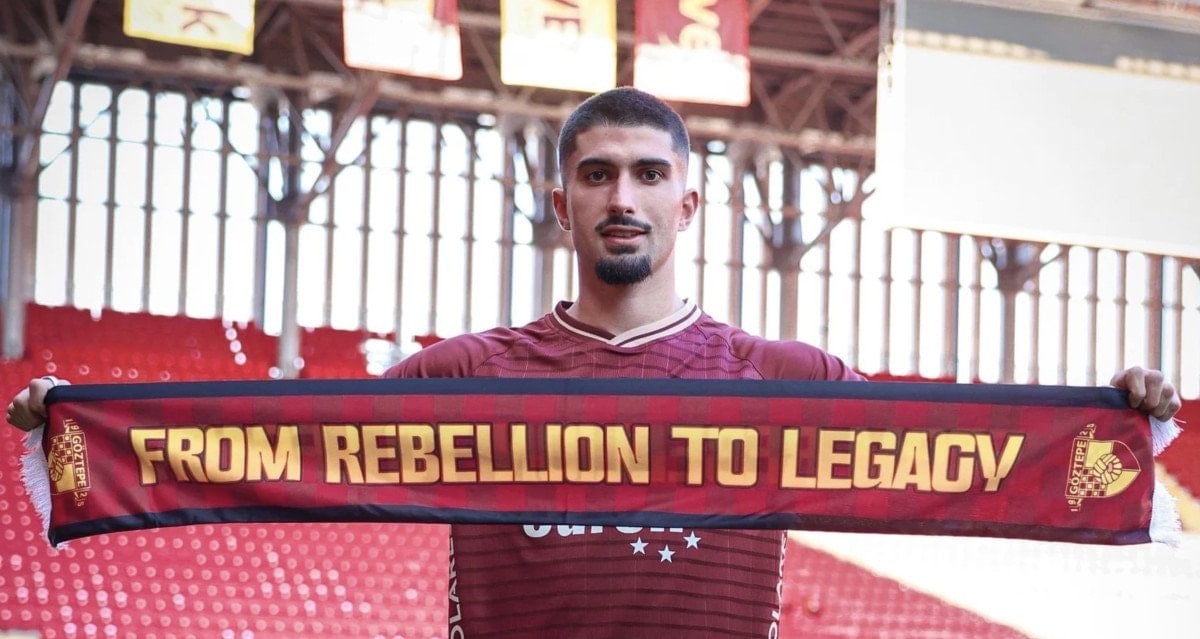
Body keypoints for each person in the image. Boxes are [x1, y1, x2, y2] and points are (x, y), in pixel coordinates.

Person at [7, 88, 1183, 637]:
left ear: (689, 202)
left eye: (649, 174)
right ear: (560, 199)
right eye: (598, 174)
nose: (624, 196)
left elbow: (955, 449)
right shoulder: (462, 378)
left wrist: (1115, 421)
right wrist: (86, 420)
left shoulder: (785, 377)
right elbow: (271, 441)